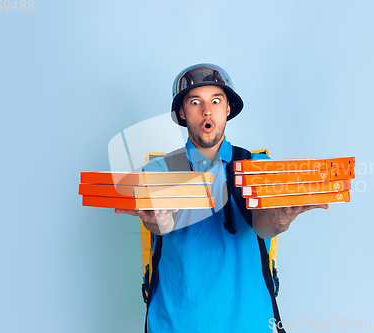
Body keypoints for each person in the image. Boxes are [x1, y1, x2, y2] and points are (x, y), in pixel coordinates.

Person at [115, 64, 328, 333]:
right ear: (182, 112)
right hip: (175, 324)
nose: (207, 110)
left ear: (227, 108)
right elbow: (161, 225)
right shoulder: (161, 170)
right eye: (195, 102)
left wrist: (281, 217)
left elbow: (263, 225)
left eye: (216, 100)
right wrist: (157, 220)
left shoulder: (257, 165)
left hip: (248, 324)